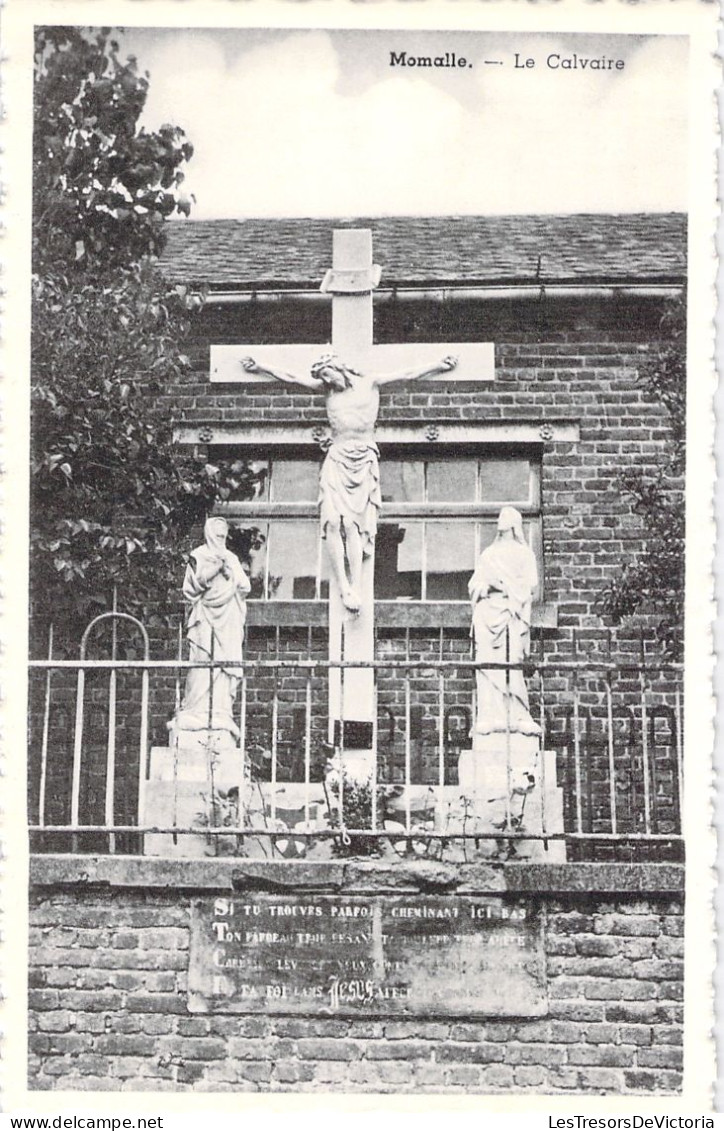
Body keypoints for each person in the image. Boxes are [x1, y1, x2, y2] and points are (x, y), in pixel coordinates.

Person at [242, 352, 457, 613]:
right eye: (322, 377)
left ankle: (356, 585)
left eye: (327, 374)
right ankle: (343, 586)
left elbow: (407, 374)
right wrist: (260, 366)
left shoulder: (370, 382)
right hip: (337, 457)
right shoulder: (327, 391)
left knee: (353, 526)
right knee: (332, 522)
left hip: (363, 457)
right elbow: (290, 377)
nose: (326, 380)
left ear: (339, 368)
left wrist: (438, 365)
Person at [174, 516, 251, 738]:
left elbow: (245, 585)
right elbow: (191, 587)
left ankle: (220, 713)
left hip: (228, 618)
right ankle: (195, 710)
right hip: (206, 617)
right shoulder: (198, 556)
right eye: (217, 535)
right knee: (202, 662)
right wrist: (215, 568)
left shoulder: (231, 558)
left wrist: (231, 573)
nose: (221, 539)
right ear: (209, 534)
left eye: (224, 536)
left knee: (224, 665)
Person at [468, 506, 541, 737]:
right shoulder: (488, 554)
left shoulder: (524, 554)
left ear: (514, 524)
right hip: (487, 612)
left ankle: (518, 715)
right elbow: (474, 584)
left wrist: (504, 586)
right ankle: (489, 716)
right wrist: (487, 586)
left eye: (506, 517)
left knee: (512, 663)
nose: (501, 521)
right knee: (487, 665)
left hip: (511, 613)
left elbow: (530, 586)